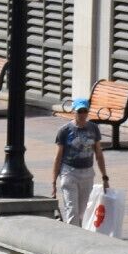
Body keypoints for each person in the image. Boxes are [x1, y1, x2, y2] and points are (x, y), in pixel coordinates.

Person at [51, 97, 111, 227]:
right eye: (80, 112)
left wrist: (105, 177)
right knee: (72, 210)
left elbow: (99, 155)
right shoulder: (65, 130)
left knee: (83, 212)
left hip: (87, 173)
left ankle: (79, 237)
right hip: (69, 172)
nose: (83, 115)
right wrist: (53, 182)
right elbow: (58, 157)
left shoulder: (93, 128)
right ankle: (72, 242)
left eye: (85, 111)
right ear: (74, 112)